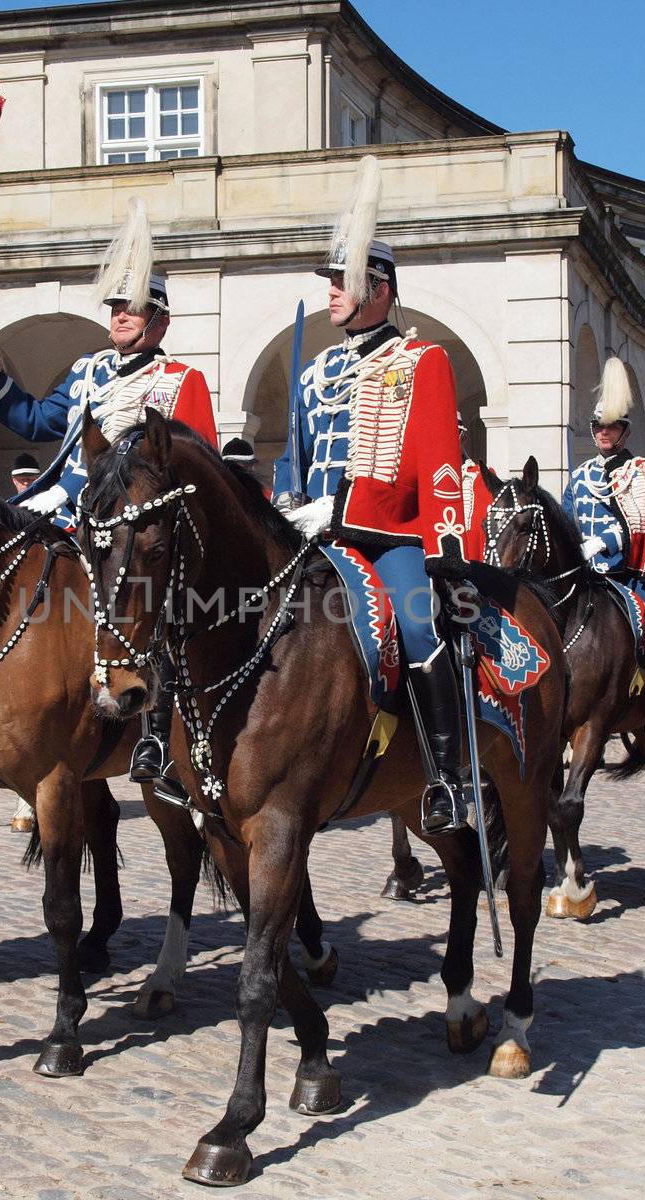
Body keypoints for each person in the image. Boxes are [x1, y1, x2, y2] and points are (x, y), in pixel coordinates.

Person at [0, 198, 218, 802]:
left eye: (133, 309)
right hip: (77, 512)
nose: (121, 317)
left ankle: (159, 734)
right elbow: (34, 421)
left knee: (158, 612)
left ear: (157, 319)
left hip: (137, 527)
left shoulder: (180, 380)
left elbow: (197, 468)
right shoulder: (88, 371)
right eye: (115, 306)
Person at [271, 155, 472, 835]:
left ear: (378, 289)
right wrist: (286, 506)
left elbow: (438, 474)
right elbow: (293, 462)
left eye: (343, 280)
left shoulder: (421, 363)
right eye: (329, 281)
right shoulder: (314, 372)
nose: (332, 292)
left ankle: (448, 775)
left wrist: (439, 550)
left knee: (416, 625)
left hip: (389, 540)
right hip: (315, 538)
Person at [561, 357, 645, 734]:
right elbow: (568, 520)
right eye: (598, 426)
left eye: (610, 427)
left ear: (624, 431)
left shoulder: (644, 472)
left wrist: (605, 542)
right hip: (587, 574)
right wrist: (576, 546)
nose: (602, 433)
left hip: (627, 573)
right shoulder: (580, 477)